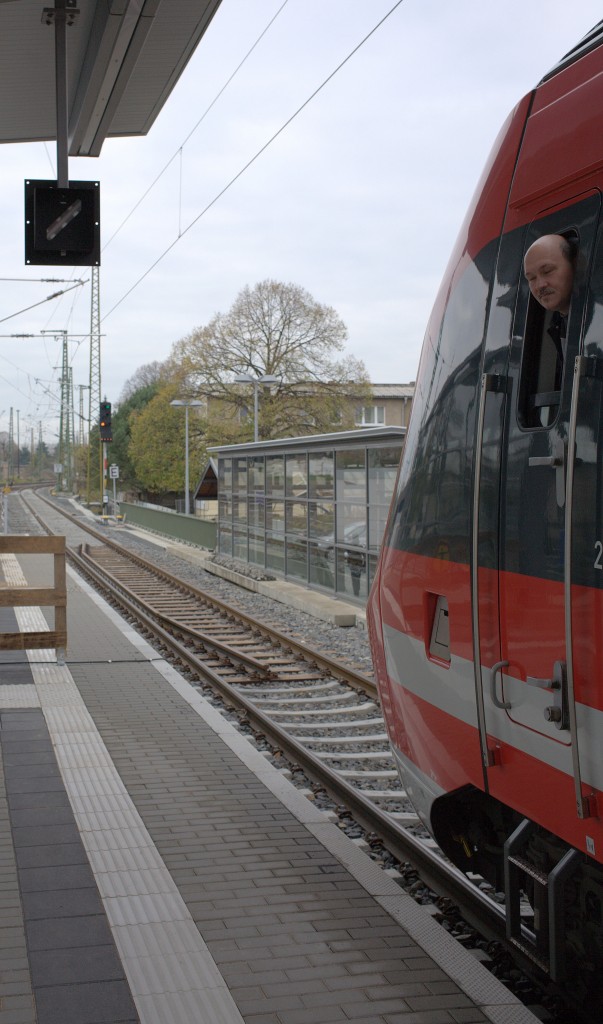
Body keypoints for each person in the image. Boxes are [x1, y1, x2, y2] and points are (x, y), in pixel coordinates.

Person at [523, 233, 577, 387]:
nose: (540, 285)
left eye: (547, 271)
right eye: (531, 278)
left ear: (575, 265)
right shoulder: (558, 325)